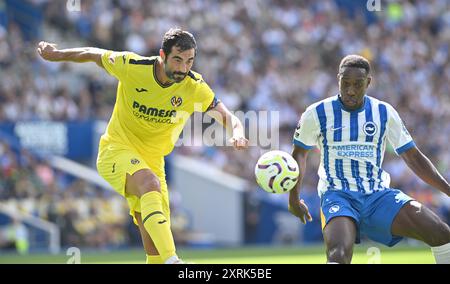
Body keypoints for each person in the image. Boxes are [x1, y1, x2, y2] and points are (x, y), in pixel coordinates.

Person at [37, 28, 248, 264]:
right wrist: (57, 54)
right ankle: (175, 262)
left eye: (189, 61)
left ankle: (164, 260)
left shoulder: (194, 87)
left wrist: (237, 133)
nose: (182, 68)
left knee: (154, 251)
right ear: (162, 55)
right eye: (177, 59)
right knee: (150, 186)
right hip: (115, 150)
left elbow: (227, 116)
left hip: (153, 162)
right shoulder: (133, 66)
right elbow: (93, 53)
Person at [289, 54, 450, 264]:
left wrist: (448, 190)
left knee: (441, 233)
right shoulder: (317, 113)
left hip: (377, 196)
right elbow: (299, 154)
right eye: (345, 83)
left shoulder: (384, 112)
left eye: (357, 84)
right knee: (338, 254)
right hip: (338, 195)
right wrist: (293, 198)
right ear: (338, 79)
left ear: (369, 82)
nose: (350, 91)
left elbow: (413, 158)